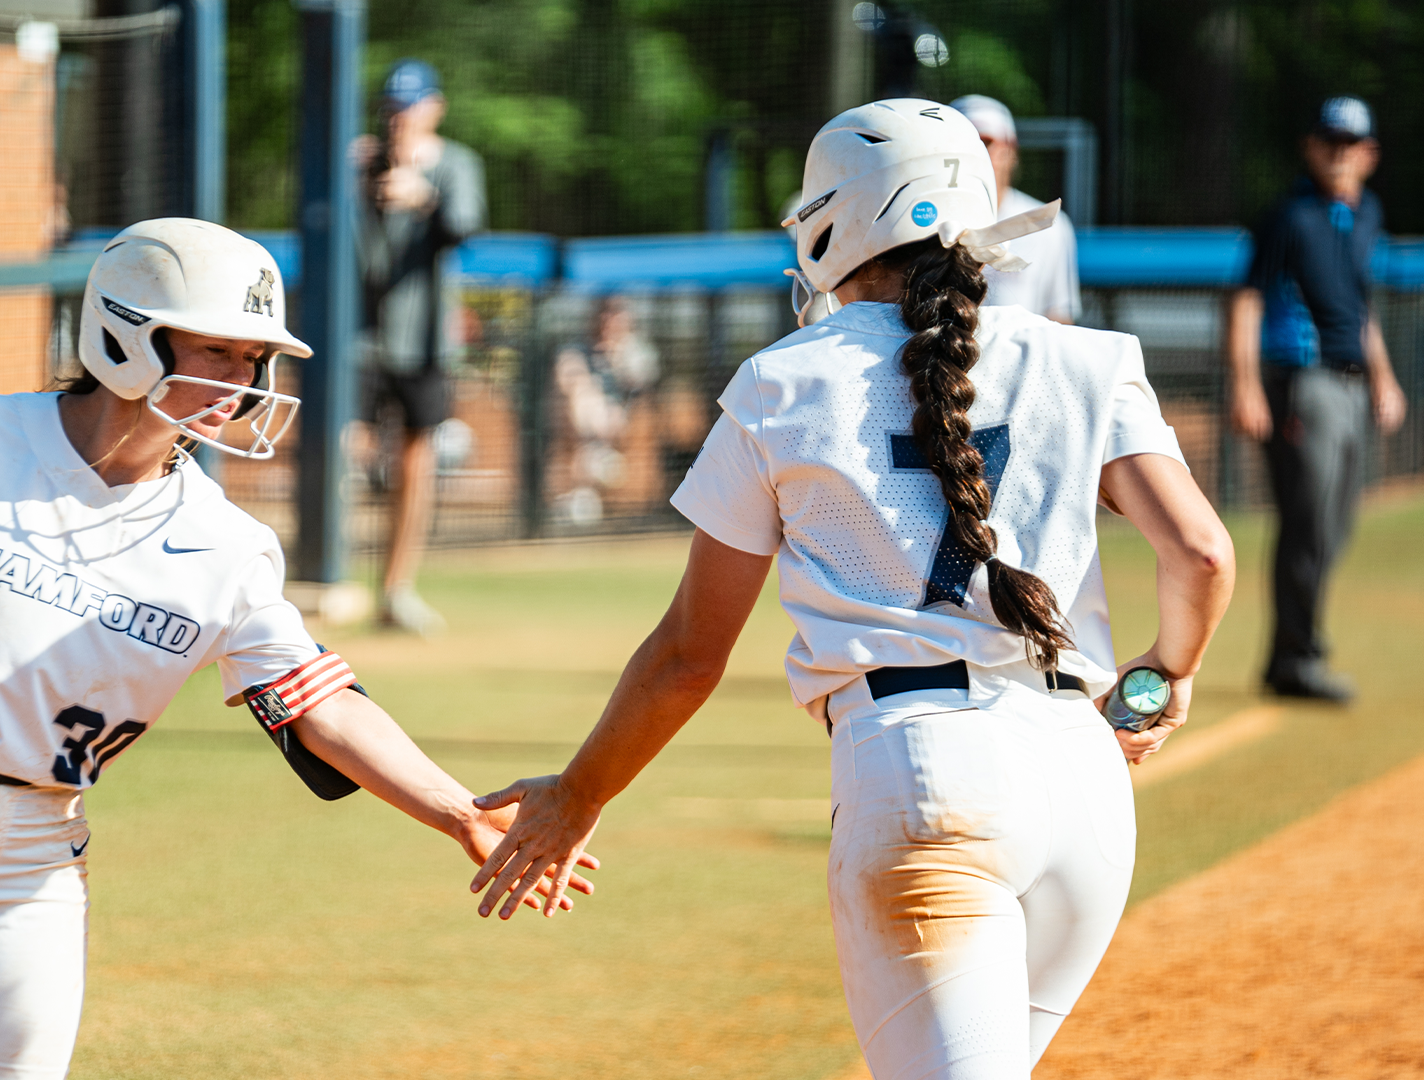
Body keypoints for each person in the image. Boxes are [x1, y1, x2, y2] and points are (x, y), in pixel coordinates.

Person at [469, 100, 1235, 1080]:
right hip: (1084, 783)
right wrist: (1166, 678)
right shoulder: (1091, 360)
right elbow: (1203, 554)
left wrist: (578, 797)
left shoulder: (781, 383)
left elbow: (687, 657)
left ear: (843, 220)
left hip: (922, 780)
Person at [0, 219, 593, 1080]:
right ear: (129, 336)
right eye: (219, 351)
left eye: (254, 362)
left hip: (37, 850)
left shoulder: (228, 545)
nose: (241, 384)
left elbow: (321, 708)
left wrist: (459, 811)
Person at [1227, 95, 1408, 703]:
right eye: (1328, 141)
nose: (1339, 153)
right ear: (1311, 147)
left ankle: (1295, 649)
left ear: (1369, 154)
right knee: (1306, 522)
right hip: (1301, 381)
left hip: (1352, 382)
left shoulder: (1367, 214)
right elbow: (1248, 298)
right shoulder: (1288, 215)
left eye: (1350, 143)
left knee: (1336, 524)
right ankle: (1296, 658)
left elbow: (1361, 308)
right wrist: (1246, 383)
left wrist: (1384, 377)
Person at [357, 58, 485, 635]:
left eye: (408, 108)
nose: (398, 120)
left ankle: (396, 588)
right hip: (359, 336)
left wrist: (422, 195)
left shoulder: (457, 164)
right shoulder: (356, 161)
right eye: (390, 109)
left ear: (434, 107)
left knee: (416, 460)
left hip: (425, 338)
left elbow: (464, 227)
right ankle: (330, 576)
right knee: (345, 449)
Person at [950, 94, 1083, 323]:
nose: (975, 153)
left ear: (1010, 150)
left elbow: (1059, 316)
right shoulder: (928, 224)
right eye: (964, 143)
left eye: (985, 142)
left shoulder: (1049, 225)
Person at [554, 296, 661, 523]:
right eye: (604, 314)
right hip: (583, 424)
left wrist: (617, 356)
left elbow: (643, 381)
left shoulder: (635, 351)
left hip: (617, 422)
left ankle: (591, 473)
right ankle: (590, 474)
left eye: (615, 315)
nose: (608, 321)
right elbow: (566, 381)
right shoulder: (577, 350)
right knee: (582, 391)